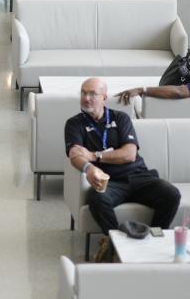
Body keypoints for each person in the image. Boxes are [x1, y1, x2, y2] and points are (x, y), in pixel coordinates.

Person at [64, 78, 181, 242]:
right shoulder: (74, 124)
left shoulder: (120, 118)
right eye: (83, 93)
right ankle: (116, 243)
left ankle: (154, 239)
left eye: (92, 93)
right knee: (97, 199)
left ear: (104, 97)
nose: (86, 97)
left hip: (139, 176)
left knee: (171, 194)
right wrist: (89, 168)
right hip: (109, 182)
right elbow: (75, 155)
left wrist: (94, 156)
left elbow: (129, 154)